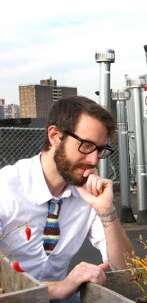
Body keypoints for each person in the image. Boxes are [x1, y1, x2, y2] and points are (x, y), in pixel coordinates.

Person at [0, 96, 134, 301]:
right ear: (55, 136)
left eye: (99, 150)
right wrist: (59, 287)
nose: (93, 160)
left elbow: (128, 272)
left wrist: (107, 212)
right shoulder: (6, 188)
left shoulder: (88, 194)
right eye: (87, 145)